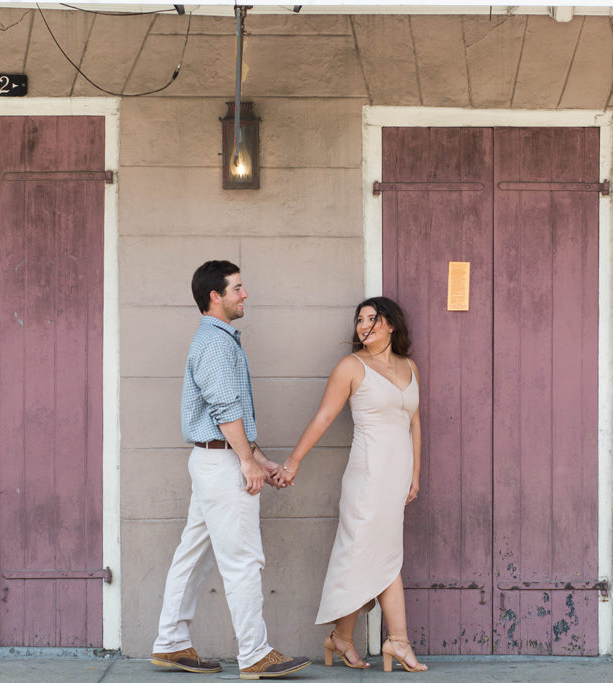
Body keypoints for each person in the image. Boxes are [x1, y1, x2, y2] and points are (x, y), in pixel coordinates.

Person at [151, 260, 311, 679]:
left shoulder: (214, 340)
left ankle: (170, 642)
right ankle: (255, 653)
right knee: (243, 559)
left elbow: (226, 412)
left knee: (193, 554)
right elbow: (225, 409)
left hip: (214, 459)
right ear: (214, 297)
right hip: (222, 463)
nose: (244, 295)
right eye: (237, 288)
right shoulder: (217, 343)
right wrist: (245, 461)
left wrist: (258, 458)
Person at [276, 296, 428, 673]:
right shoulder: (350, 366)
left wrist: (416, 474)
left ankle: (341, 638)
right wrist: (293, 461)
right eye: (360, 320)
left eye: (373, 320)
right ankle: (399, 641)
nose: (364, 327)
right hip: (368, 476)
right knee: (382, 554)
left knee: (370, 555)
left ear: (391, 324)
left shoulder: (410, 366)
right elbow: (324, 417)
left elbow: (414, 424)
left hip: (396, 476)